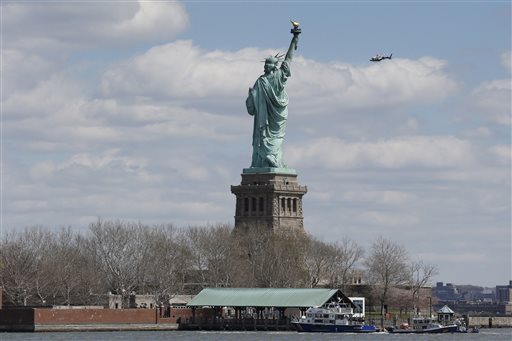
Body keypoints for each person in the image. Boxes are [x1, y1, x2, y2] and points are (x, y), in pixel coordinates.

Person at [246, 30, 300, 168]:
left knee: (276, 137)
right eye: (265, 64)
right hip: (266, 117)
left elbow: (288, 59)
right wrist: (251, 96)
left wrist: (294, 40)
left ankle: (274, 158)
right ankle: (266, 160)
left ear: (274, 66)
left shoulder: (278, 76)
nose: (265, 66)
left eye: (268, 64)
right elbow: (252, 108)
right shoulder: (261, 81)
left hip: (277, 113)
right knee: (264, 135)